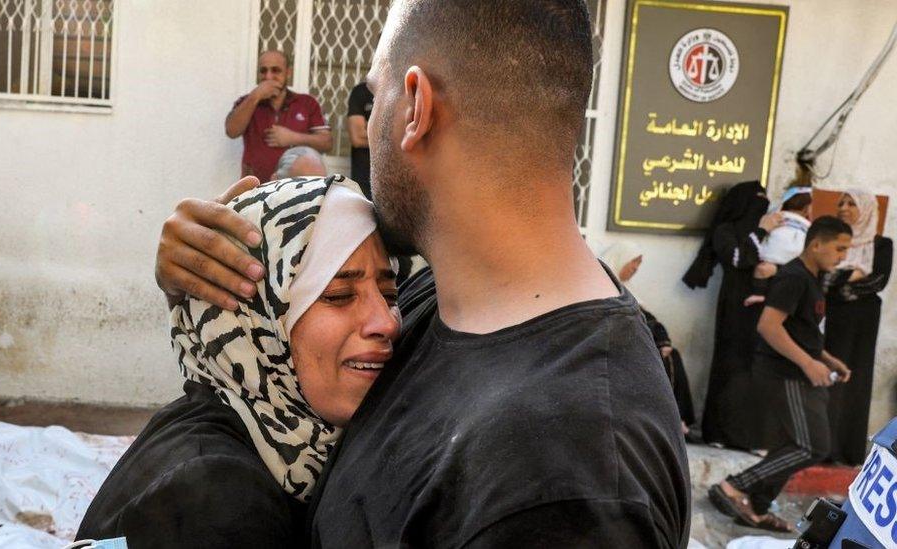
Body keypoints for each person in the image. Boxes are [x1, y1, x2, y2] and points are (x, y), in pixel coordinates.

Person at [154, 0, 691, 546]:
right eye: (343, 294)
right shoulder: (438, 297)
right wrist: (215, 281)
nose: (376, 319)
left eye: (375, 89)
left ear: (415, 105)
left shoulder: (572, 480)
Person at [77, 176, 400, 548]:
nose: (387, 322)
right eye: (340, 295)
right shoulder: (218, 504)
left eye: (389, 293)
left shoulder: (275, 441)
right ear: (256, 320)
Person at [709, 216, 854, 533]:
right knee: (810, 446)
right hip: (785, 373)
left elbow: (801, 330)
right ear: (816, 244)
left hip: (800, 370)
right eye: (839, 248)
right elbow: (768, 326)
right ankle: (734, 486)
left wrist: (828, 360)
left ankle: (757, 509)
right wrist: (808, 363)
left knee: (790, 446)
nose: (843, 256)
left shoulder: (811, 279)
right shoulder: (794, 277)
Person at [692, 180, 785, 451]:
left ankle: (751, 437)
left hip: (765, 309)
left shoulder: (775, 233)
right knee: (729, 367)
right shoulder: (726, 231)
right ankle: (718, 432)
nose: (760, 208)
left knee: (756, 371)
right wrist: (760, 230)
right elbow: (738, 258)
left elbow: (787, 262)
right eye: (754, 202)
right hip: (735, 307)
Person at [825, 189, 893, 465]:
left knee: (857, 377)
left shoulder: (881, 244)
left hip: (864, 318)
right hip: (834, 316)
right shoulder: (833, 241)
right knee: (831, 375)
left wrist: (842, 284)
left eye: (851, 203)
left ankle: (849, 450)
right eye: (841, 202)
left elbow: (878, 280)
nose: (843, 207)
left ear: (865, 209)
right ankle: (825, 448)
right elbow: (825, 279)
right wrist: (848, 278)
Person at [602, 241, 696, 433]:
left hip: (631, 345)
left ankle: (676, 418)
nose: (636, 268)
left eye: (639, 263)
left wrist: (663, 342)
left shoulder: (627, 291)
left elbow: (648, 320)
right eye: (634, 262)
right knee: (664, 358)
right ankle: (670, 420)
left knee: (670, 355)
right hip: (612, 349)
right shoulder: (604, 287)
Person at [225, 50, 332, 182]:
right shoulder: (247, 102)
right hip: (254, 189)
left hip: (295, 190)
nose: (268, 76)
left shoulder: (307, 103)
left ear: (288, 73)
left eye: (276, 70)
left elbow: (326, 143)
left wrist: (292, 137)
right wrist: (255, 96)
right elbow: (231, 131)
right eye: (263, 71)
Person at [743, 187, 813, 307]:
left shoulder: (775, 216)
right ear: (807, 208)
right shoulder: (807, 225)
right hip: (794, 263)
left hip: (769, 257)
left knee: (761, 271)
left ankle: (758, 294)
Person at [347, 81, 373, 198]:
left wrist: (368, 126)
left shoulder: (402, 91)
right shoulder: (361, 91)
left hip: (393, 178)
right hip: (363, 179)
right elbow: (357, 138)